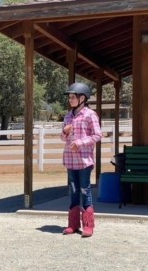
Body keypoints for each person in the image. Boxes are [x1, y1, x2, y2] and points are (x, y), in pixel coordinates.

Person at [61, 82, 102, 237]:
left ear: (82, 98)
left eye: (73, 97)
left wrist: (81, 142)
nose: (70, 100)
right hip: (70, 161)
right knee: (73, 191)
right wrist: (65, 133)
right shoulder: (67, 116)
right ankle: (72, 224)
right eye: (70, 97)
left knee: (85, 191)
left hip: (84, 161)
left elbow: (98, 135)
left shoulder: (90, 115)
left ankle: (88, 225)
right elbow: (62, 138)